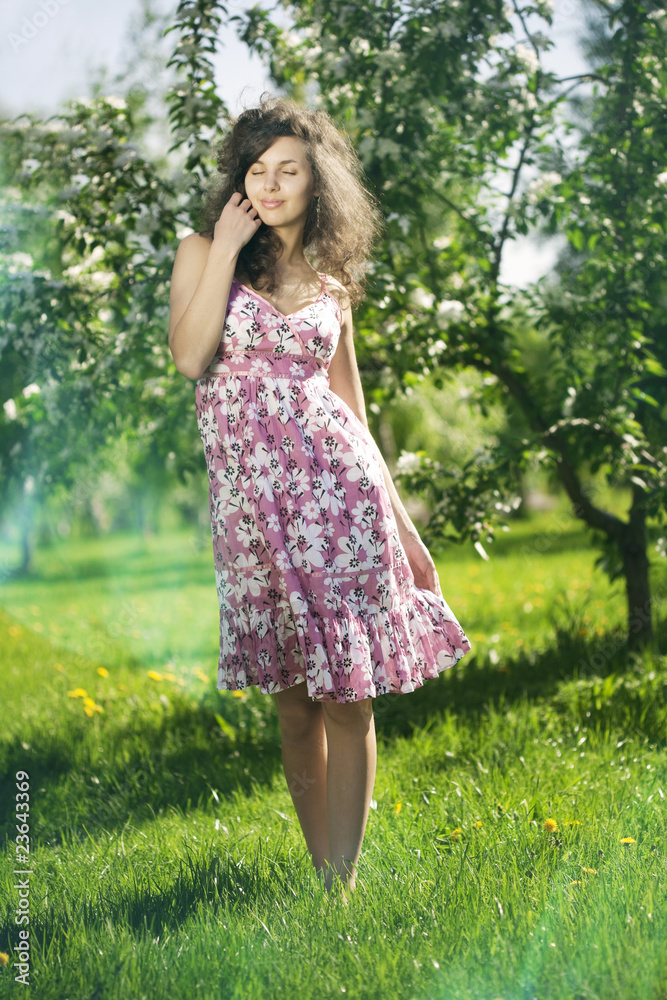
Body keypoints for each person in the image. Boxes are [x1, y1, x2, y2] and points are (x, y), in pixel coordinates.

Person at [168, 96, 472, 903]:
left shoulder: (333, 288)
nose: (269, 186)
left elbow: (356, 416)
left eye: (287, 170)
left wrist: (408, 536)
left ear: (317, 180)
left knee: (348, 695)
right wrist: (228, 246)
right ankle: (319, 873)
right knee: (294, 702)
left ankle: (343, 884)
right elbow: (191, 357)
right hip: (252, 512)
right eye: (255, 171)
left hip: (338, 501)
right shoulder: (202, 250)